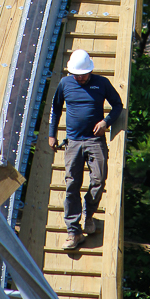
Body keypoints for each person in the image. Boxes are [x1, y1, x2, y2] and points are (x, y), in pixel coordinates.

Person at [48, 49, 123, 250]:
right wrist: (52, 134)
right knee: (72, 184)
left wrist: (106, 122)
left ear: (90, 71)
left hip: (94, 141)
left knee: (98, 180)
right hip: (73, 142)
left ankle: (88, 215)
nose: (79, 78)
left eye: (82, 74)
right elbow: (55, 109)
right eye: (76, 74)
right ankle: (73, 231)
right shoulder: (65, 83)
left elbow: (118, 105)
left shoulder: (102, 83)